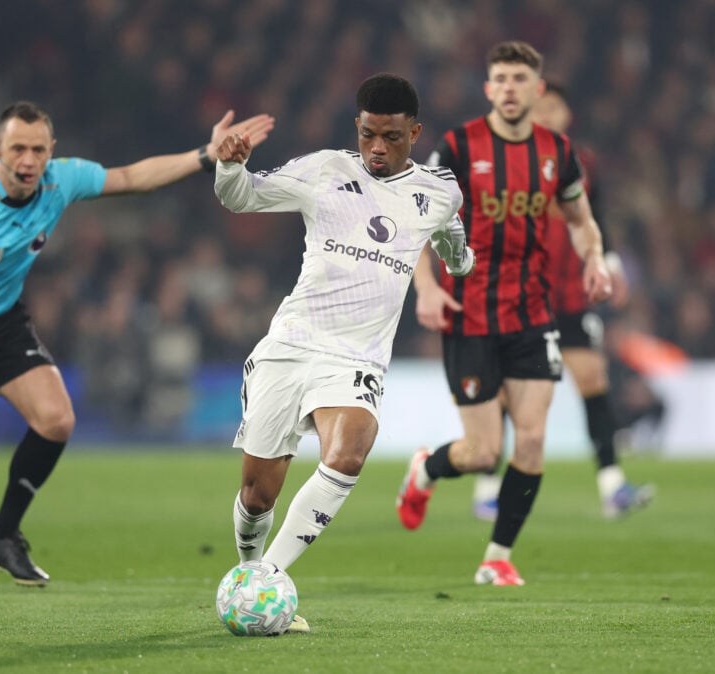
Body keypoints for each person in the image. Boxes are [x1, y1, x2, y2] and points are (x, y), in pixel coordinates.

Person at [0, 101, 275, 591]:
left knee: (56, 419)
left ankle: (3, 536)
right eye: (17, 149)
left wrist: (206, 154)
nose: (28, 160)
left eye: (37, 149)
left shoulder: (63, 178)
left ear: (51, 151)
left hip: (2, 323)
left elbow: (133, 177)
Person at [215, 73, 475, 630]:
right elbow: (240, 199)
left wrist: (462, 261)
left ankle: (268, 582)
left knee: (351, 449)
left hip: (356, 358)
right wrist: (231, 164)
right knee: (258, 494)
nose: (377, 148)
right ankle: (248, 567)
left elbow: (452, 236)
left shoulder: (438, 189)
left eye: (392, 137)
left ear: (415, 132)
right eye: (368, 135)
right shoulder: (324, 170)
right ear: (356, 128)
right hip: (292, 344)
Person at [396, 41, 612, 587]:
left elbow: (581, 218)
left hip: (533, 315)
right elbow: (420, 222)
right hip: (470, 315)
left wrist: (595, 262)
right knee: (481, 450)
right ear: (488, 88)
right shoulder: (459, 146)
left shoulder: (557, 152)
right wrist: (425, 289)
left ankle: (497, 556)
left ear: (537, 90)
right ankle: (425, 469)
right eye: (500, 78)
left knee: (533, 440)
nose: (510, 87)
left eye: (520, 78)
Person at [469, 82, 655, 521]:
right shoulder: (506, 162)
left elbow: (597, 217)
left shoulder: (580, 162)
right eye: (541, 107)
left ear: (567, 113)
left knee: (593, 379)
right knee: (508, 393)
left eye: (555, 106)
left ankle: (613, 487)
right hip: (521, 294)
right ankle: (487, 487)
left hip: (569, 296)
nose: (549, 114)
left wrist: (608, 261)